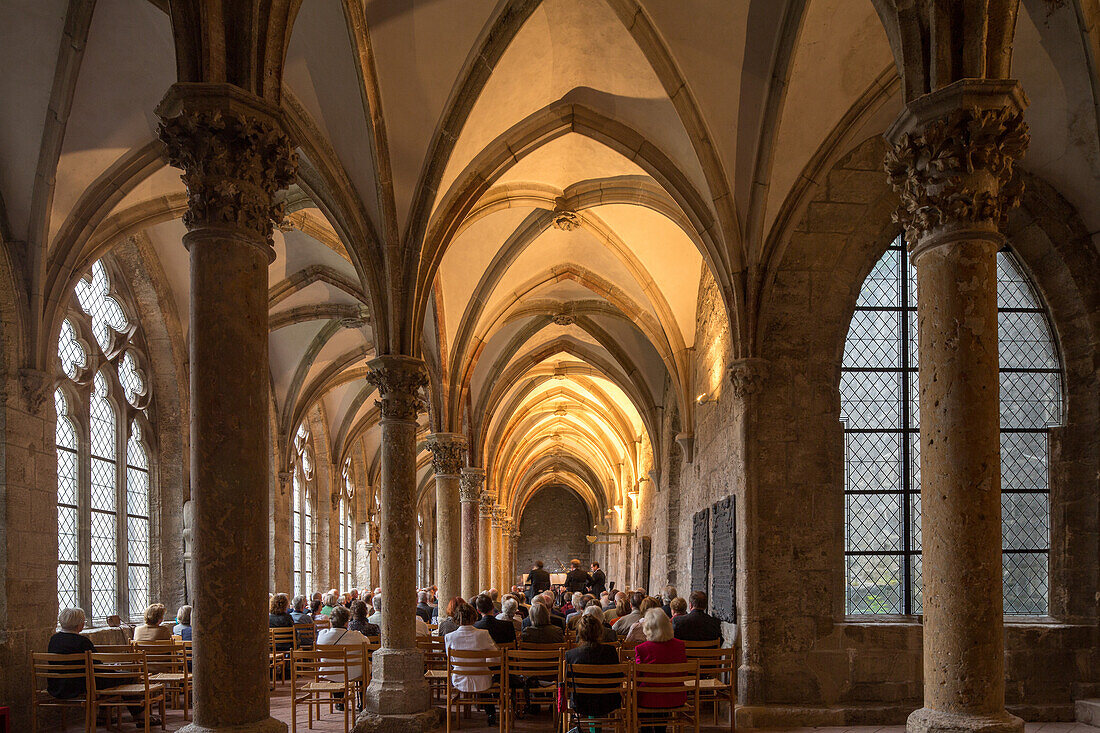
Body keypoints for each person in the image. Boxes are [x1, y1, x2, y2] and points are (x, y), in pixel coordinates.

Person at [50, 608, 161, 725]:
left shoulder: (54, 640)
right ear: (79, 624)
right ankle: (141, 716)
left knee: (111, 679)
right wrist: (113, 668)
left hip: (58, 684)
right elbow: (97, 664)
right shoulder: (81, 641)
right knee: (129, 677)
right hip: (82, 684)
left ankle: (103, 716)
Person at [444, 601, 500, 726]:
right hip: (483, 680)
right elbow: (496, 658)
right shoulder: (483, 634)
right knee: (487, 676)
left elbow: (451, 661)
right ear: (474, 616)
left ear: (456, 619)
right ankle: (490, 713)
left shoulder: (449, 637)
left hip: (459, 680)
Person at [634, 608, 688, 732]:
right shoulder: (679, 646)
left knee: (648, 693)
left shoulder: (642, 649)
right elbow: (683, 673)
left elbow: (637, 676)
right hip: (675, 696)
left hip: (648, 698)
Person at [564, 613, 623, 723]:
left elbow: (568, 683)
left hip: (581, 703)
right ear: (600, 632)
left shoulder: (571, 655)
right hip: (608, 702)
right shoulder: (610, 652)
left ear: (580, 633)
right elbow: (618, 678)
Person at [316, 605, 371, 711]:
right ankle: (362, 702)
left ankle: (339, 702)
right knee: (366, 668)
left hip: (330, 673)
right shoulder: (356, 636)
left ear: (331, 621)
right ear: (347, 622)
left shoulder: (322, 635)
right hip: (353, 673)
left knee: (337, 667)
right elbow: (367, 643)